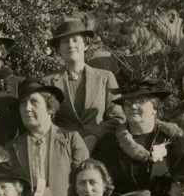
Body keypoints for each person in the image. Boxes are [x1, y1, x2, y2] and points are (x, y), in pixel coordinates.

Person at [96, 78, 184, 194]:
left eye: (141, 101)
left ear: (155, 108)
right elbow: (102, 186)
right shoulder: (110, 142)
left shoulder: (175, 138)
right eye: (128, 103)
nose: (133, 107)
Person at [43, 17, 125, 150]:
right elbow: (46, 122)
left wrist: (95, 135)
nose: (70, 45)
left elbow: (118, 118)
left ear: (85, 45)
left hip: (100, 150)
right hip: (63, 151)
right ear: (59, 49)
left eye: (75, 40)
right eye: (65, 42)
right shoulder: (48, 82)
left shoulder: (105, 78)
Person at [7, 78, 90, 196]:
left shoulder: (71, 140)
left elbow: (85, 181)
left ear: (50, 108)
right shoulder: (12, 147)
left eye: (34, 102)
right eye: (23, 103)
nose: (27, 108)